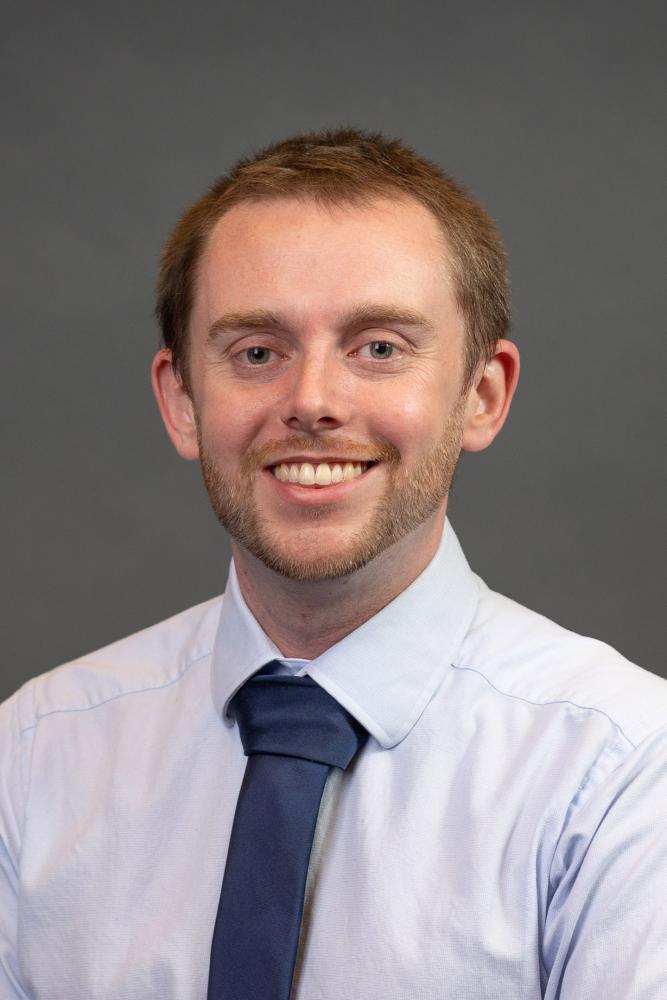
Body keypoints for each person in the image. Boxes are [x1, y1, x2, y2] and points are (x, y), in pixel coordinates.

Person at [1, 128, 665, 1000]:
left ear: (482, 394)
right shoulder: (31, 757)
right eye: (256, 352)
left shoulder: (622, 773)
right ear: (181, 402)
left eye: (379, 347)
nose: (311, 401)